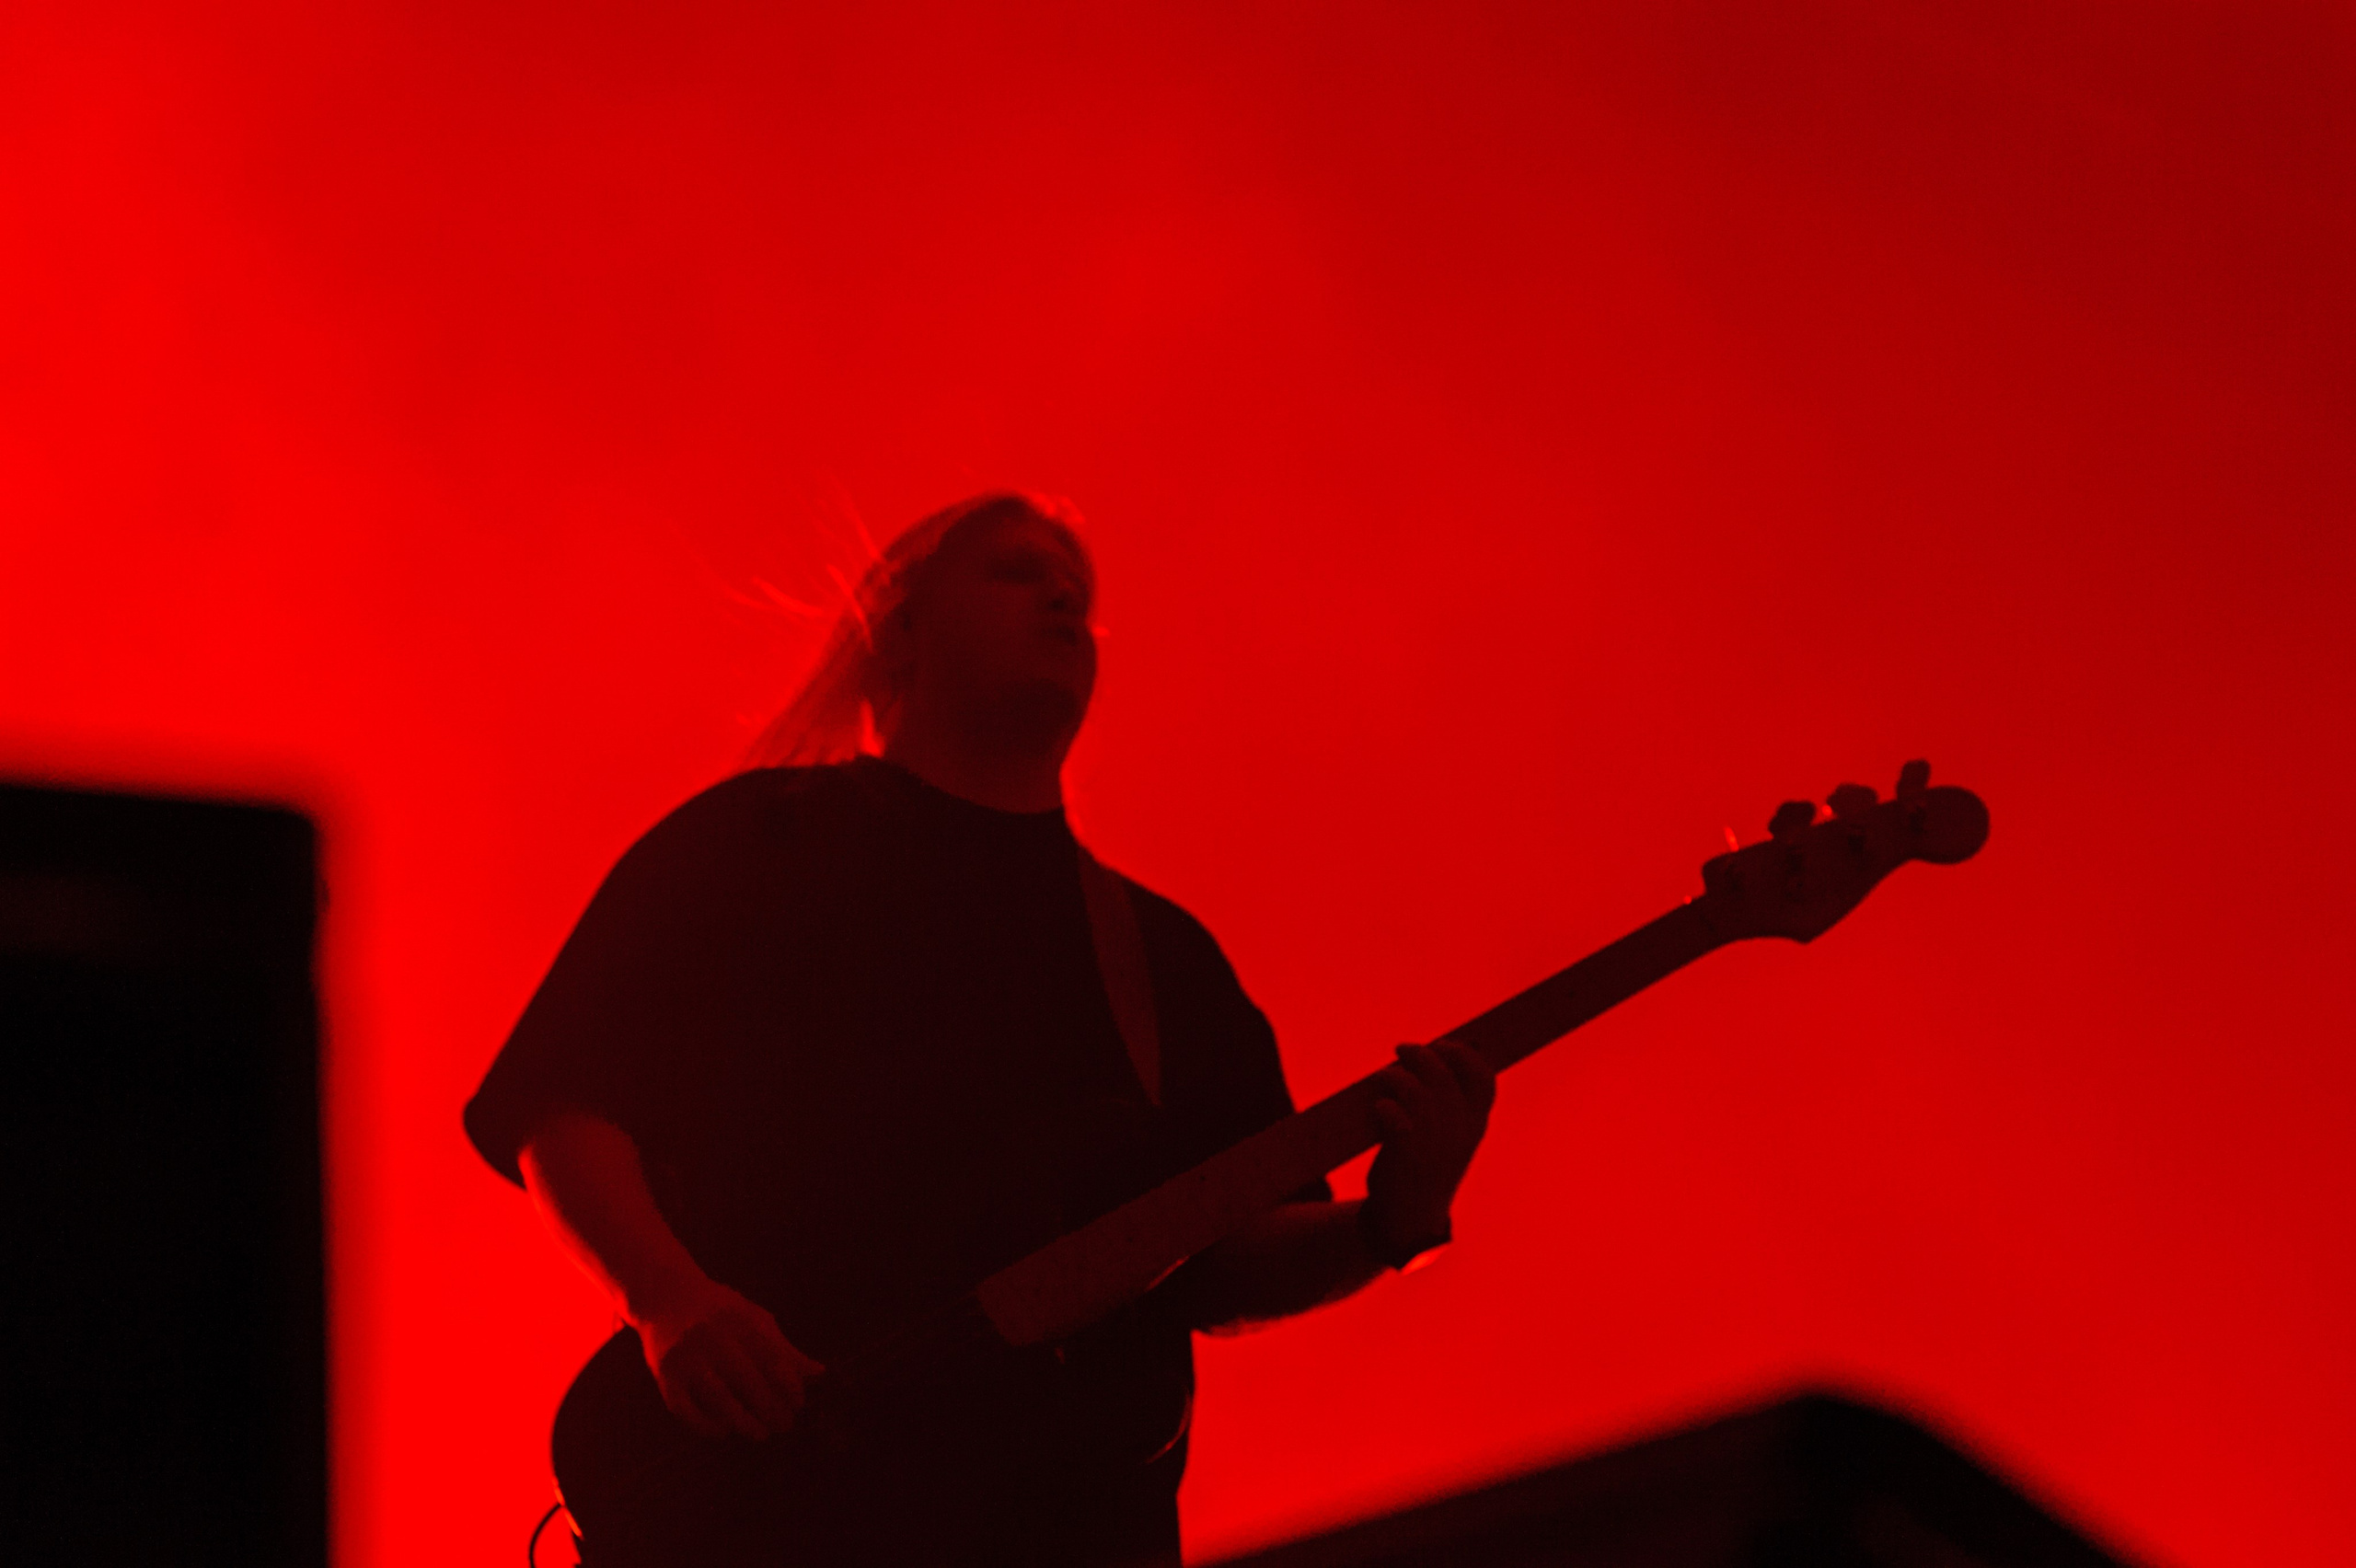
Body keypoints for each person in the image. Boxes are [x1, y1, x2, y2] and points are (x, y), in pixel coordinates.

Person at [464, 492, 1496, 1565]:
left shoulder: (1160, 958)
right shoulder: (757, 845)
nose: (1062, 599)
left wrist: (1396, 1219)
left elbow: (1228, 1256)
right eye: (1013, 570)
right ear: (899, 627)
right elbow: (566, 1105)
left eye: (1080, 595)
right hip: (772, 1514)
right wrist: (671, 1303)